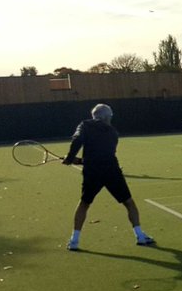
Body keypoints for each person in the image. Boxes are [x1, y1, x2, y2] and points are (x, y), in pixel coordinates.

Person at [63, 104, 155, 250]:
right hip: (111, 171)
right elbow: (103, 155)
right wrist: (75, 159)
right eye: (110, 116)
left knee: (84, 204)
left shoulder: (85, 125)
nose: (111, 118)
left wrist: (71, 159)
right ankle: (140, 236)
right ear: (106, 117)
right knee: (129, 203)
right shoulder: (113, 132)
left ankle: (74, 241)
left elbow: (78, 140)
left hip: (92, 172)